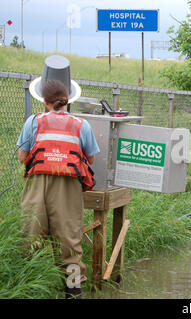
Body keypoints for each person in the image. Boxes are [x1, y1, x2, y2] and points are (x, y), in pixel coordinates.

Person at [17, 56, 100, 299]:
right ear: (68, 100)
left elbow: (23, 157)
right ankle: (73, 292)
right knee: (70, 242)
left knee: (29, 237)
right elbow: (91, 159)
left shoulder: (33, 122)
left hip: (37, 187)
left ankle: (28, 288)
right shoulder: (80, 125)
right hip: (69, 189)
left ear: (43, 99)